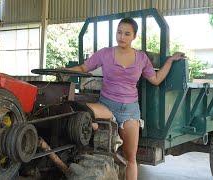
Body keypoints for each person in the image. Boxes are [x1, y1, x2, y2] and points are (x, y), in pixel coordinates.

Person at [67, 18, 185, 180]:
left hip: (130, 112)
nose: (121, 37)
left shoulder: (141, 58)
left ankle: (111, 141)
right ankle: (98, 130)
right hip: (106, 105)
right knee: (77, 110)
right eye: (119, 32)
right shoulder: (105, 53)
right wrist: (63, 70)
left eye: (127, 33)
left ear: (134, 36)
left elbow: (156, 79)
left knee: (131, 159)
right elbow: (83, 68)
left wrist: (170, 61)